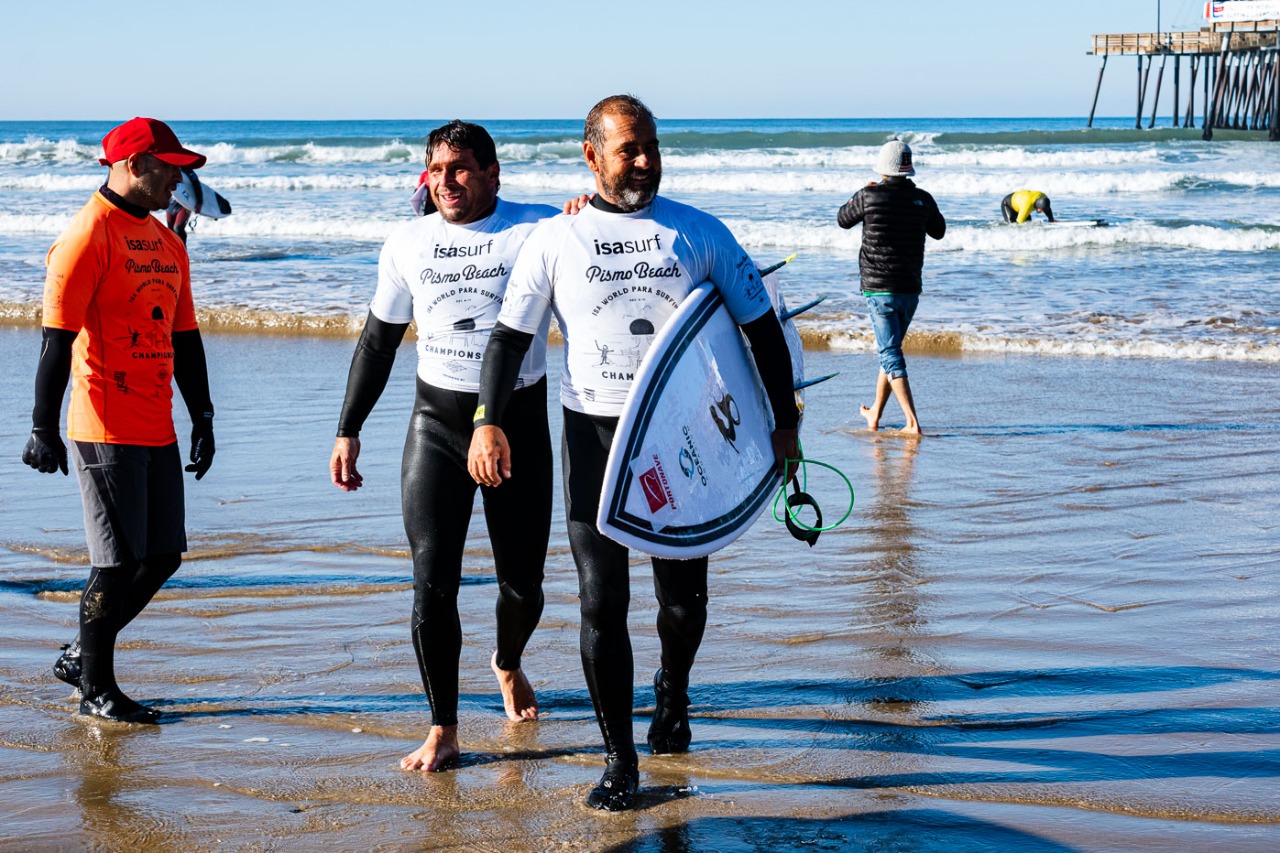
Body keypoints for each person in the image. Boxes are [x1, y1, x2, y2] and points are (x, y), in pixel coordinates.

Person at [467, 95, 801, 811]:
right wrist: (487, 419)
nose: (646, 160)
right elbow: (506, 338)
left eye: (652, 145)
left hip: (682, 437)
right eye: (630, 149)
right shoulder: (555, 241)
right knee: (601, 601)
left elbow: (761, 327)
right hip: (593, 434)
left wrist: (782, 424)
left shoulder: (699, 232)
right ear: (592, 156)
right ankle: (620, 757)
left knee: (683, 602)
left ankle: (673, 686)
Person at [328, 120, 557, 773]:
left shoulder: (537, 230)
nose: (446, 181)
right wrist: (349, 427)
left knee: (523, 586)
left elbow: (602, 260)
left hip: (518, 425)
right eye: (436, 169)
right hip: (436, 423)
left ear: (492, 173)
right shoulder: (408, 242)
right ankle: (444, 727)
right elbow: (377, 341)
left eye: (460, 168)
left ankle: (507, 660)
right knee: (432, 582)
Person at [21, 117, 216, 724]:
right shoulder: (85, 237)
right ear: (135, 165)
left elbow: (185, 338)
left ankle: (84, 655)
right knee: (115, 562)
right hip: (102, 422)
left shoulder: (165, 243)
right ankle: (96, 691)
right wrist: (42, 428)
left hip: (157, 421)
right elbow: (56, 343)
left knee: (162, 556)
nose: (178, 180)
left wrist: (203, 414)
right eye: (170, 168)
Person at [838, 139, 946, 436]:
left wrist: (864, 192)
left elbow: (842, 219)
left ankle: (911, 422)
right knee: (891, 351)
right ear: (908, 168)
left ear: (883, 168)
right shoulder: (923, 199)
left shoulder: (868, 196)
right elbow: (939, 231)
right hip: (910, 287)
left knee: (890, 353)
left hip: (879, 288)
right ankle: (874, 414)